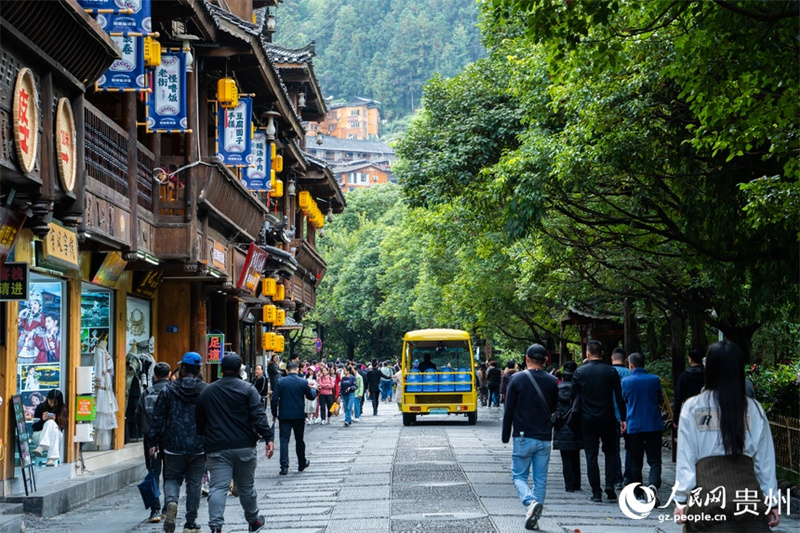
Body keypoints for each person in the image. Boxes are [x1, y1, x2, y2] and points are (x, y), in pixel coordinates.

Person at [674, 341, 779, 531]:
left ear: (709, 368)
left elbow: (686, 458)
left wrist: (681, 499)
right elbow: (765, 461)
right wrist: (771, 500)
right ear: (739, 370)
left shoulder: (693, 407)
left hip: (708, 503)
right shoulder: (753, 410)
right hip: (748, 504)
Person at [196, 352, 274, 533]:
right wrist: (268, 437)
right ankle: (253, 520)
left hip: (216, 447)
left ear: (222, 369)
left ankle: (216, 527)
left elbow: (200, 421)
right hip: (244, 445)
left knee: (217, 488)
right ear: (240, 369)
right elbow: (258, 415)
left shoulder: (207, 391)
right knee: (246, 487)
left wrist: (204, 438)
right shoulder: (248, 389)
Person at [148, 352, 208, 533]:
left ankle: (172, 502)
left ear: (182, 369)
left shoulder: (168, 390)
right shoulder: (205, 390)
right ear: (198, 370)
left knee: (172, 478)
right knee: (195, 483)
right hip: (198, 445)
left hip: (172, 444)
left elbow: (157, 417)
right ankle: (190, 523)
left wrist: (153, 442)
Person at [502, 344, 558, 531]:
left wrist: (505, 435)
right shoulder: (552, 381)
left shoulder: (517, 379)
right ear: (545, 360)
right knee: (540, 479)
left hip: (523, 436)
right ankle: (535, 516)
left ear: (526, 358)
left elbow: (509, 409)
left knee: (519, 475)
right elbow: (555, 407)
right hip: (544, 437)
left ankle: (530, 501)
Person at [571, 340, 626, 503]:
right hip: (608, 417)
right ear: (602, 353)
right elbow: (619, 395)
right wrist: (623, 418)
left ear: (587, 353)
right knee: (610, 451)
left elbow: (574, 396)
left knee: (591, 454)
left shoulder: (580, 372)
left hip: (587, 419)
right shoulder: (610, 371)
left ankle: (596, 491)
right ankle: (610, 484)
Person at [621, 353, 664, 502]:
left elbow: (624, 400)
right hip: (653, 425)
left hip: (635, 426)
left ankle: (638, 493)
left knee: (635, 461)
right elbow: (660, 399)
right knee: (655, 460)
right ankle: (653, 486)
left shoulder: (626, 381)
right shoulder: (654, 380)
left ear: (630, 365)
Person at [135, 362, 171, 523]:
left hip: (151, 441)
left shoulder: (146, 393)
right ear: (169, 375)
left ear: (154, 376)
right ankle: (168, 507)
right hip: (170, 440)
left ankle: (155, 509)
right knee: (170, 474)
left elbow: (137, 416)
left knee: (153, 472)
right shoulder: (173, 392)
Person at [271, 361, 318, 475]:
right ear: (297, 370)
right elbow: (311, 396)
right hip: (298, 415)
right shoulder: (302, 381)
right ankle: (301, 462)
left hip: (284, 415)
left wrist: (274, 413)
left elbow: (274, 399)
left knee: (284, 440)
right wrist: (314, 389)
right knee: (299, 440)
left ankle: (284, 466)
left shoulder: (281, 381)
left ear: (287, 370)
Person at [553, 361, 582, 492]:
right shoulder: (579, 389)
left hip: (561, 423)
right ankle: (577, 483)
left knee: (565, 457)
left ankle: (569, 484)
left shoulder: (556, 389)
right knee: (575, 453)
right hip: (575, 423)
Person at [610, 347, 631, 488]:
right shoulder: (630, 374)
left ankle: (616, 479)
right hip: (629, 415)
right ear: (626, 360)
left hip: (611, 415)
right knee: (630, 448)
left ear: (612, 358)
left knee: (614, 449)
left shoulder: (607, 372)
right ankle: (628, 476)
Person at [31, 389, 68, 467]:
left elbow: (62, 427)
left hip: (56, 435)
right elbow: (34, 426)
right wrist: (42, 420)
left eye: (55, 402)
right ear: (47, 399)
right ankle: (51, 458)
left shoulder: (62, 409)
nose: (52, 404)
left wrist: (56, 421)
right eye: (50, 401)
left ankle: (41, 448)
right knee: (49, 423)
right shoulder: (40, 407)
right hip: (39, 435)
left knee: (51, 424)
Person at [672, 347, 704, 424]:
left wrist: (675, 419)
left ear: (690, 359)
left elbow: (678, 399)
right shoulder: (708, 376)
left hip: (689, 411)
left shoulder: (683, 376)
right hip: (706, 412)